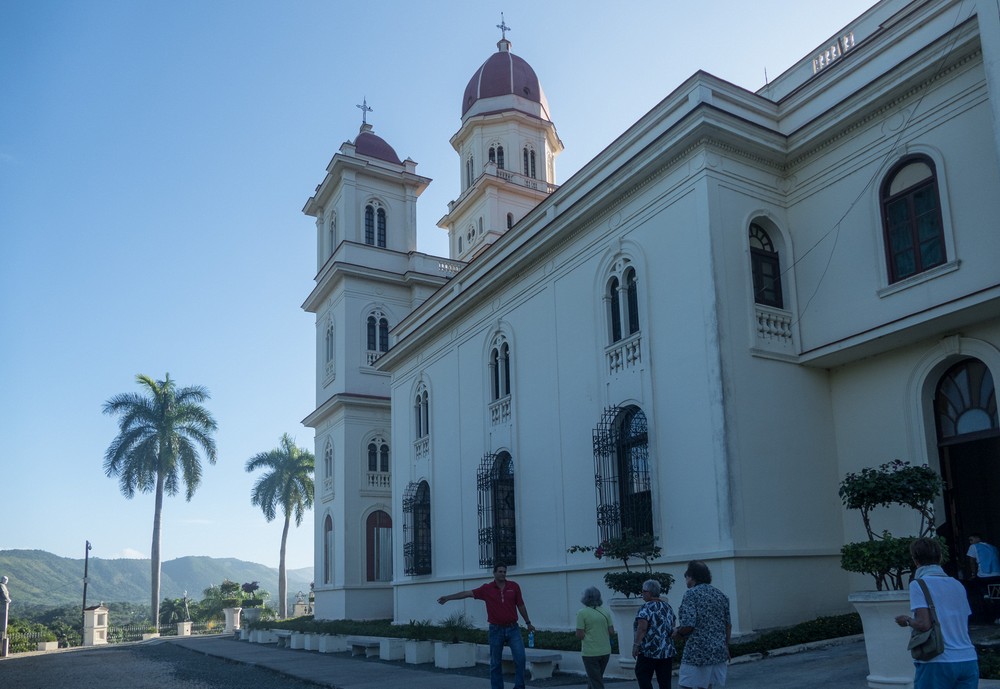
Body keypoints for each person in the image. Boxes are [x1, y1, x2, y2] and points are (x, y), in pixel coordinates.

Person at [895, 537, 978, 689]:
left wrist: (906, 620)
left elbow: (923, 624)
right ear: (940, 558)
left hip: (938, 660)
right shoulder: (957, 585)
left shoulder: (918, 584)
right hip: (968, 659)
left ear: (915, 560)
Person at [438, 563, 535, 689]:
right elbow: (467, 593)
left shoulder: (514, 587)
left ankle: (519, 686)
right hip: (496, 630)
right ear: (494, 573)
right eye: (500, 571)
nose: (502, 574)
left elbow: (520, 605)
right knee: (495, 663)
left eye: (504, 571)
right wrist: (447, 598)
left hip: (513, 629)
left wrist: (528, 623)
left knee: (521, 659)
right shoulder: (486, 589)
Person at [673, 560, 731, 689]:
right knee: (708, 686)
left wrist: (678, 633)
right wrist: (726, 646)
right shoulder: (720, 595)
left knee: (686, 686)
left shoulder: (691, 594)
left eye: (686, 576)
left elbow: (689, 624)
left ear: (692, 576)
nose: (686, 579)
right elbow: (728, 625)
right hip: (718, 651)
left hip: (697, 652)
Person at [631, 578, 676, 689]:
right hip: (666, 651)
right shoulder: (667, 607)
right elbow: (673, 625)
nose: (642, 594)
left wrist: (636, 645)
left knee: (642, 675)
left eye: (643, 591)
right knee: (664, 681)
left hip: (649, 650)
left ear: (649, 592)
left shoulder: (646, 607)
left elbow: (642, 628)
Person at [576, 586, 616, 689]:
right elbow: (611, 631)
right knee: (595, 678)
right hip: (605, 651)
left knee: (595, 681)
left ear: (586, 598)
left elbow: (579, 634)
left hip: (590, 652)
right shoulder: (605, 611)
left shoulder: (582, 613)